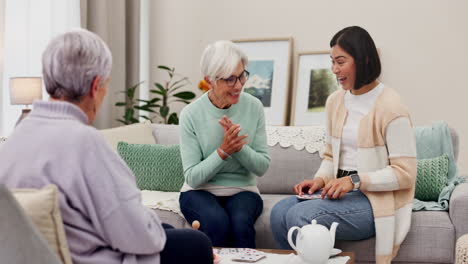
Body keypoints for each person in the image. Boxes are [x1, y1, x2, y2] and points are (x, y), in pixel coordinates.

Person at [0, 29, 213, 264]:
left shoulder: (15, 139)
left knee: (164, 228)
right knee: (197, 243)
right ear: (95, 86)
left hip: (50, 254)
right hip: (90, 258)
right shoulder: (85, 143)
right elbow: (140, 236)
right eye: (105, 86)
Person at [270, 26, 417, 264]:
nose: (334, 70)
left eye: (340, 62)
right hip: (339, 192)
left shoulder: (392, 106)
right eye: (332, 62)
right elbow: (330, 156)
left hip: (374, 200)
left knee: (300, 215)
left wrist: (354, 181)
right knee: (278, 213)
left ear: (363, 60)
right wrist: (319, 180)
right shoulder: (335, 101)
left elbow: (405, 174)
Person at [178, 40, 271, 248]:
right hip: (198, 192)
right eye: (230, 79)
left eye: (241, 76)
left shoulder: (254, 107)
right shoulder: (190, 114)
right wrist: (223, 152)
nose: (238, 85)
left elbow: (262, 166)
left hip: (243, 190)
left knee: (240, 224)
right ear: (209, 80)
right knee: (216, 223)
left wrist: (238, 148)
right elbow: (192, 177)